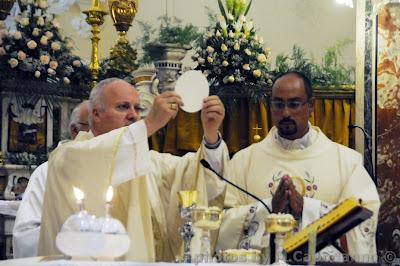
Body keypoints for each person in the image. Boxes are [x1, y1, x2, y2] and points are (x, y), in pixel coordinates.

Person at [38, 78, 228, 262]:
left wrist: (211, 136)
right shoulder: (69, 156)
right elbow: (100, 155)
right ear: (96, 114)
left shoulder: (150, 162)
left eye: (138, 108)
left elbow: (198, 174)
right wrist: (150, 123)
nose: (133, 115)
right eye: (122, 106)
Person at [216, 71, 380, 263]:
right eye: (278, 104)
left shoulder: (347, 162)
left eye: (294, 104)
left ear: (311, 105)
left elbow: (365, 217)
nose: (286, 113)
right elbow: (221, 221)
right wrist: (268, 208)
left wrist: (307, 208)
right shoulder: (243, 161)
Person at [12, 101, 90, 258]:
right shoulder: (46, 173)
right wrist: (75, 236)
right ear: (75, 130)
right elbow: (24, 238)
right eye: (93, 124)